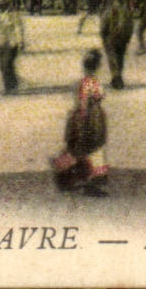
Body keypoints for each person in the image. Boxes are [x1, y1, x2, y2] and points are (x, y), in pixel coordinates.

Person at [51, 49, 109, 197]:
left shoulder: (88, 82)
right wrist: (82, 121)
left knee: (84, 148)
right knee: (88, 148)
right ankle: (89, 181)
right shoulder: (90, 83)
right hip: (91, 117)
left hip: (92, 116)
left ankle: (71, 175)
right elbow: (83, 103)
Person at [0, 0, 26, 94]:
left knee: (7, 64)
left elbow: (18, 28)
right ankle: (9, 85)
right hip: (1, 42)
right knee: (2, 66)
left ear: (5, 5)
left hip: (12, 42)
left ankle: (11, 87)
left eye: (0, 6)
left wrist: (20, 42)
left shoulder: (13, 15)